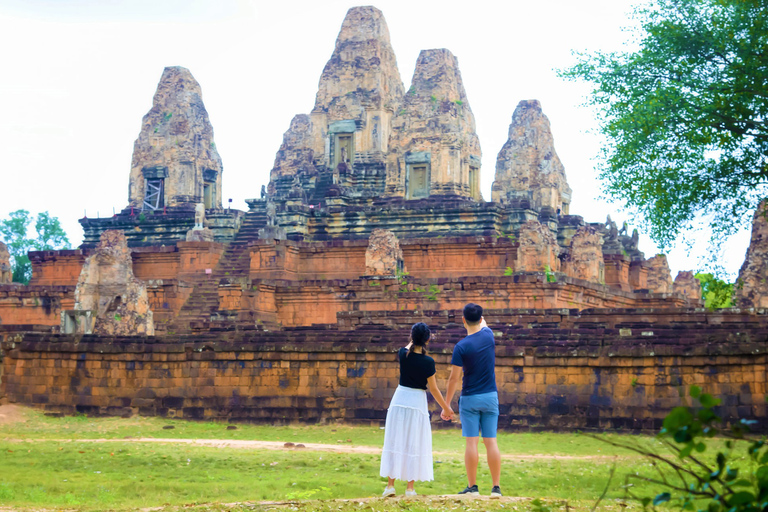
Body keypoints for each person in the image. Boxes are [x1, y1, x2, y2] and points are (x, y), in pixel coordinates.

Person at [380, 322, 453, 497]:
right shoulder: (428, 362)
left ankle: (390, 486)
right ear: (427, 339)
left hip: (399, 400)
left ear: (412, 337)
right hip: (416, 403)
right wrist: (446, 408)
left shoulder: (403, 354)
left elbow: (408, 346)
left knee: (395, 440)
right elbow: (434, 389)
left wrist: (414, 339)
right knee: (413, 442)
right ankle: (409, 488)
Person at [443, 303, 502, 498]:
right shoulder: (489, 336)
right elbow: (484, 325)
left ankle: (473, 487)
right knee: (491, 441)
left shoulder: (461, 347)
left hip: (470, 398)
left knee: (472, 442)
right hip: (490, 397)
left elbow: (454, 379)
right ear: (481, 318)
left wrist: (447, 405)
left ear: (463, 320)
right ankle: (496, 488)